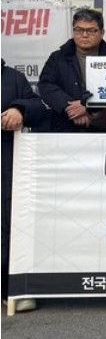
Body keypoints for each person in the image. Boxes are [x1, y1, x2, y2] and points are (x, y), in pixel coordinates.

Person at [2, 60, 47, 312]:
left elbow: (38, 107)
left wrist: (19, 109)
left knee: (8, 225)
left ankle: (10, 289)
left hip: (6, 163)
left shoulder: (11, 78)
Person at [38, 8, 106, 132]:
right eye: (79, 30)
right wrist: (69, 107)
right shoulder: (58, 57)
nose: (84, 35)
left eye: (91, 30)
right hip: (64, 125)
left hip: (102, 128)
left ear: (102, 33)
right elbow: (46, 85)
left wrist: (89, 108)